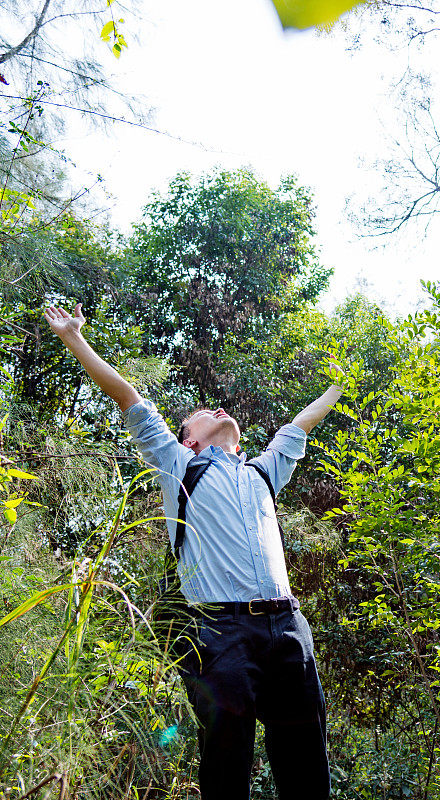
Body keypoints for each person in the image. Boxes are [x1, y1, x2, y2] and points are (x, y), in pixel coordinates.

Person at [44, 302, 339, 800]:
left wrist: (340, 381)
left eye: (219, 410)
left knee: (307, 762)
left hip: (289, 628)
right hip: (221, 633)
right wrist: (74, 338)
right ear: (189, 440)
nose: (217, 410)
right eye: (202, 415)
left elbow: (302, 422)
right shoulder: (179, 465)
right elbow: (129, 397)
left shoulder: (264, 471)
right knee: (226, 766)